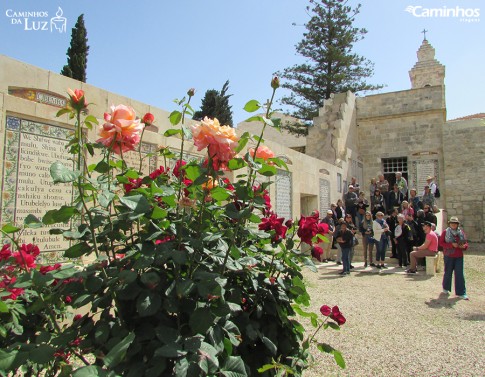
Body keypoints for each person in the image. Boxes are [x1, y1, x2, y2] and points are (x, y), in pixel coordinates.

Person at [439, 217, 469, 300]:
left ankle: (461, 293)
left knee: (459, 274)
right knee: (448, 272)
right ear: (449, 223)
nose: (453, 224)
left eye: (455, 223)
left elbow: (466, 243)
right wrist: (451, 245)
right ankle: (446, 288)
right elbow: (441, 243)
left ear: (457, 224)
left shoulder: (461, 232)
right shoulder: (445, 232)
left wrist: (464, 246)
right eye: (452, 223)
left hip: (459, 255)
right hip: (448, 255)